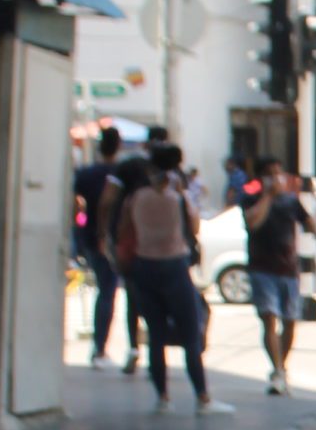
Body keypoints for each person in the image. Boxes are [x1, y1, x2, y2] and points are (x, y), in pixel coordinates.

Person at [117, 144, 230, 414]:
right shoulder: (176, 196)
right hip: (174, 265)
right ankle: (202, 397)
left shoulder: (136, 197)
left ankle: (162, 398)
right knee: (191, 334)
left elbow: (124, 229)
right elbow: (194, 226)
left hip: (144, 265)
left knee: (156, 335)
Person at [243, 158, 316, 395]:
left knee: (289, 321)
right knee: (269, 317)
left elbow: (310, 222)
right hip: (262, 268)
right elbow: (252, 223)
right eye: (269, 174)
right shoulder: (251, 197)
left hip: (288, 268)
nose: (276, 178)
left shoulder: (290, 200)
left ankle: (282, 366)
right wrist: (267, 196)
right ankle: (276, 369)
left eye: (278, 173)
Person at [72, 127, 127, 370]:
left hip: (90, 238)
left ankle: (100, 346)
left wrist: (81, 225)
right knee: (108, 291)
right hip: (115, 238)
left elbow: (75, 204)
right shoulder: (121, 174)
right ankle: (102, 347)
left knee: (104, 291)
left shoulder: (87, 174)